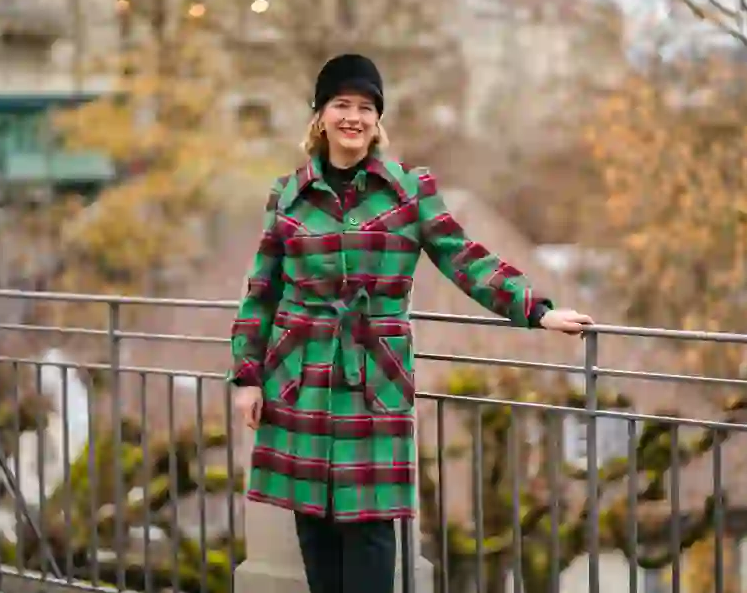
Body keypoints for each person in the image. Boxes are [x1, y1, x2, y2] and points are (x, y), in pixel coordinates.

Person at [228, 53, 594, 593]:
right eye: (341, 105)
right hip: (298, 378)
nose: (352, 117)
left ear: (377, 120)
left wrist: (537, 309)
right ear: (320, 115)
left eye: (365, 107)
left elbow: (465, 257)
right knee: (315, 530)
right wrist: (246, 376)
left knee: (373, 539)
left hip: (375, 379)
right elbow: (261, 292)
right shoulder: (287, 196)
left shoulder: (409, 191)